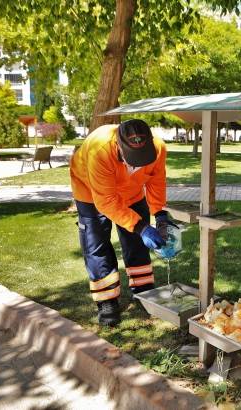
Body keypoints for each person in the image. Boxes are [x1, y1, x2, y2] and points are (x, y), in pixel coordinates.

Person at [70, 119, 176, 327]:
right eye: (133, 158)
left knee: (137, 242)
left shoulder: (158, 147)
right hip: (91, 191)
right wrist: (141, 227)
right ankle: (107, 300)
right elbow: (107, 202)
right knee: (96, 244)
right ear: (119, 146)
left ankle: (143, 289)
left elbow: (156, 181)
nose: (138, 164)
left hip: (132, 193)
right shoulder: (100, 150)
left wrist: (160, 214)